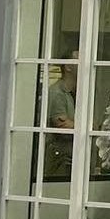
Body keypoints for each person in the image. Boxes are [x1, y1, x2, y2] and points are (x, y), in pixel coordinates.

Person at [44, 47, 79, 179]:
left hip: (74, 157)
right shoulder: (57, 92)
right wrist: (85, 126)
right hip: (60, 159)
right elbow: (63, 126)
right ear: (68, 67)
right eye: (79, 59)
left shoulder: (79, 93)